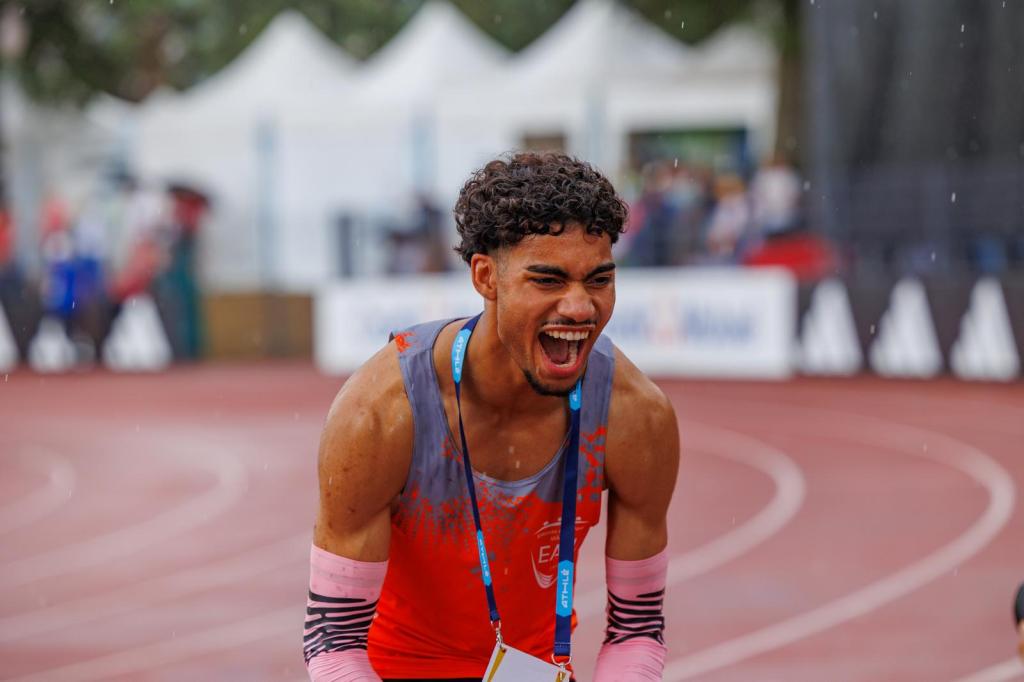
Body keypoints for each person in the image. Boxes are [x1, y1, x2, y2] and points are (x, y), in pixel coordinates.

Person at [305, 152, 680, 681]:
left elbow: (637, 628)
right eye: (548, 281)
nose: (580, 307)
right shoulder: (381, 413)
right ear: (486, 277)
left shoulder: (635, 415)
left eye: (598, 280)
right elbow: (333, 639)